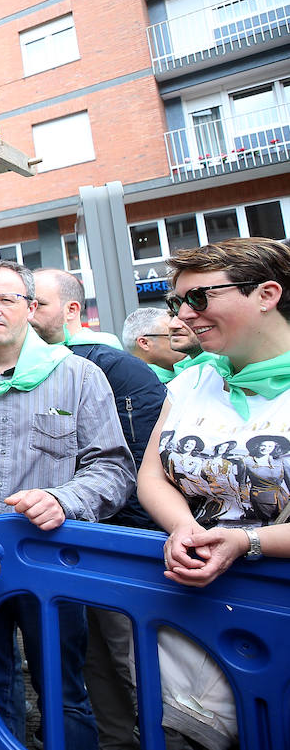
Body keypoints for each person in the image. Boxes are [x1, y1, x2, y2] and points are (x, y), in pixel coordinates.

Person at [0, 261, 134, 750]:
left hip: (51, 557)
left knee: (62, 688)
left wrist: (62, 499)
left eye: (7, 299)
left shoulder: (79, 375)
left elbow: (114, 469)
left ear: (31, 308)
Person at [135, 238, 290, 748]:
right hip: (196, 606)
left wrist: (248, 544)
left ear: (266, 294)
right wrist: (185, 528)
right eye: (176, 302)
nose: (182, 317)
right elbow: (152, 475)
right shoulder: (192, 379)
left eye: (198, 299)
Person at [33, 268, 166, 750]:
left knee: (134, 662)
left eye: (38, 304)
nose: (26, 312)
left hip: (117, 544)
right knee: (91, 663)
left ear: (72, 310)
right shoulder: (22, 369)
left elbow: (135, 465)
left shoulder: (117, 368)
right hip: (59, 543)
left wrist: (126, 543)